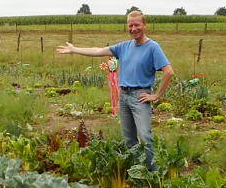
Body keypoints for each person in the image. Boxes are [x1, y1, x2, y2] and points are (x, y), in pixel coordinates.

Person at [57, 10, 174, 169]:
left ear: (144, 25)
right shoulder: (124, 47)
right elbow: (97, 51)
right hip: (124, 96)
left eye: (137, 25)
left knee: (145, 137)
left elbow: (169, 72)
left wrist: (156, 95)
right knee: (129, 139)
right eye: (130, 25)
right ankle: (137, 171)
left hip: (140, 96)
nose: (133, 29)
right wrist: (74, 49)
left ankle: (154, 174)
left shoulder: (153, 47)